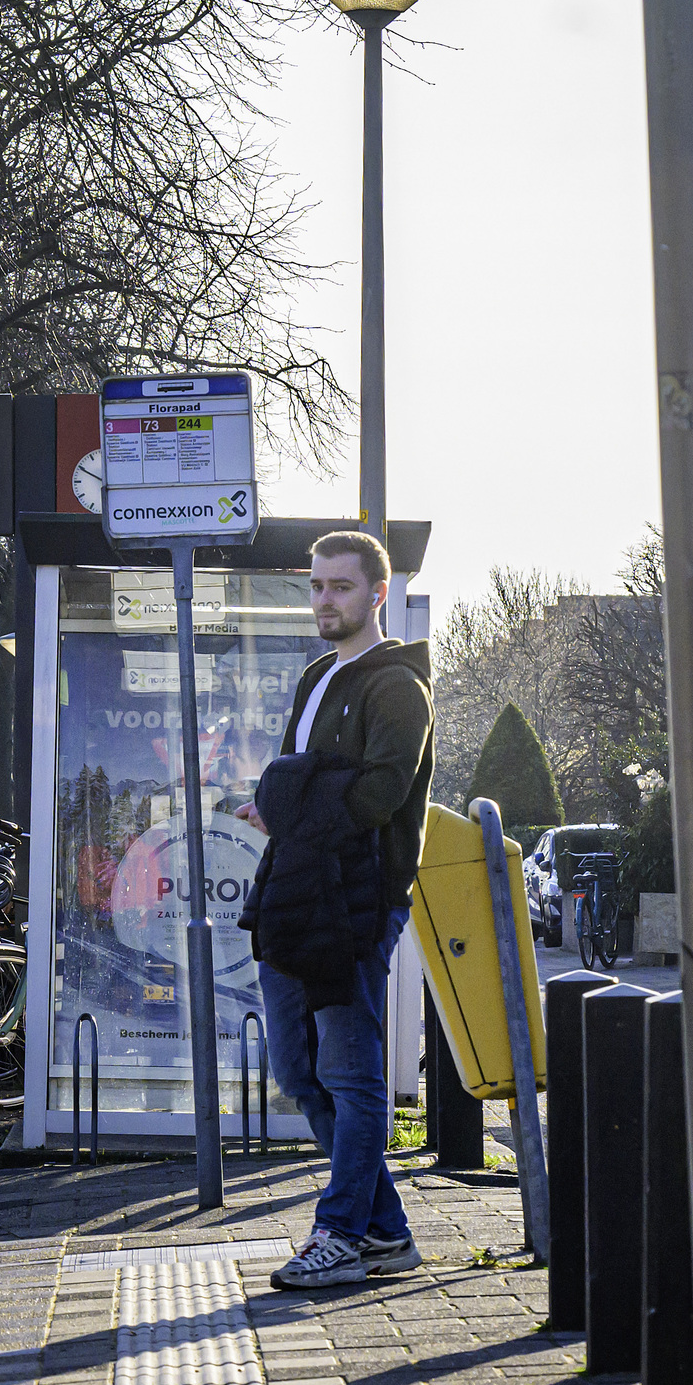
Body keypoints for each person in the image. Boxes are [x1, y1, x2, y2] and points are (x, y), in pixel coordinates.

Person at [236, 529, 433, 1290]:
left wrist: (294, 800)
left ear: (378, 594)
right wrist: (275, 809)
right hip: (292, 893)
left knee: (352, 1078)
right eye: (317, 586)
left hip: (355, 906)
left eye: (341, 587)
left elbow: (379, 796)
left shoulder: (397, 687)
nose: (324, 600)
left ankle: (341, 1231)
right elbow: (295, 784)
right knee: (298, 1072)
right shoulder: (317, 674)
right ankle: (388, 1233)